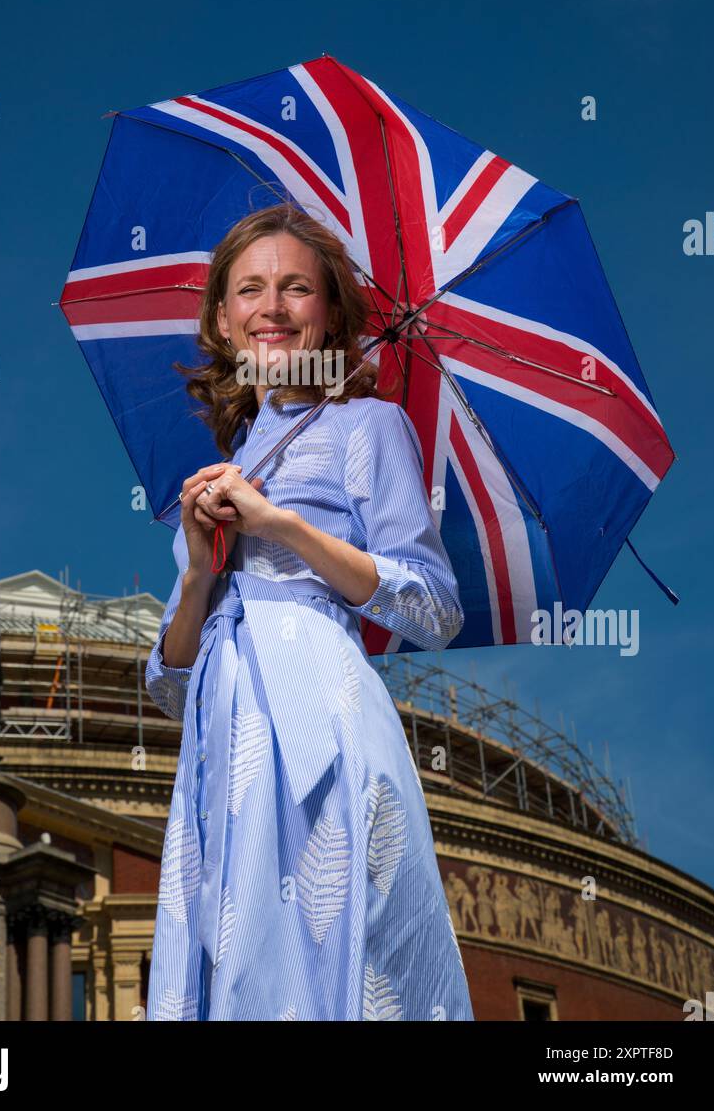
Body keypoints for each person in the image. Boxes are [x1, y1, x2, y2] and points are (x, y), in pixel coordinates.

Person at [144, 202, 474, 1021]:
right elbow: (169, 686)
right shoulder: (219, 472)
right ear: (222, 320)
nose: (274, 307)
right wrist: (196, 570)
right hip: (221, 743)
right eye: (251, 289)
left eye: (297, 288)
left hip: (318, 715)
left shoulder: (369, 427)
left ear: (328, 316)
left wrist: (281, 526)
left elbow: (435, 608)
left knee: (324, 961)